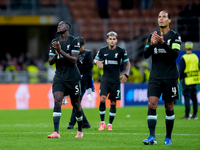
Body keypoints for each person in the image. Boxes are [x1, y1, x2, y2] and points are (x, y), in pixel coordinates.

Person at [143, 10, 181, 145]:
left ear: (169, 20)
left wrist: (163, 43)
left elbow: (174, 55)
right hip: (155, 76)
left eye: (164, 17)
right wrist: (152, 44)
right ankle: (151, 137)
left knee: (169, 107)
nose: (161, 19)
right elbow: (146, 55)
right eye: (159, 16)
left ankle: (168, 138)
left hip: (170, 77)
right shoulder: (152, 36)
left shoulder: (175, 36)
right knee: (151, 103)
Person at [47, 21, 83, 138]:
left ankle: (80, 131)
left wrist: (60, 50)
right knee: (57, 100)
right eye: (58, 25)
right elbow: (50, 62)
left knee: (76, 105)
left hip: (73, 78)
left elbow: (74, 60)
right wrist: (56, 53)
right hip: (59, 77)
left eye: (61, 25)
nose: (58, 26)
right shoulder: (54, 42)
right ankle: (56, 132)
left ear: (67, 27)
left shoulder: (74, 41)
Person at [93, 31, 130, 131]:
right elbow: (95, 60)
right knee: (102, 99)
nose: (112, 41)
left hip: (116, 81)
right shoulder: (102, 50)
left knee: (113, 102)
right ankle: (102, 123)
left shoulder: (121, 50)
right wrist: (98, 61)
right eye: (110, 39)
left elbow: (128, 63)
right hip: (105, 79)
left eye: (114, 39)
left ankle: (110, 124)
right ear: (107, 40)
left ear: (116, 40)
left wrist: (126, 74)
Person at [67, 37, 93, 129]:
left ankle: (71, 123)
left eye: (80, 47)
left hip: (85, 80)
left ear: (83, 46)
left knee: (77, 101)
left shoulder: (88, 53)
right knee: (74, 102)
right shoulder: (73, 54)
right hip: (75, 80)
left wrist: (78, 70)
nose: (78, 48)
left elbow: (90, 66)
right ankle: (85, 123)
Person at [179, 41, 200, 119]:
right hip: (194, 80)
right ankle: (195, 114)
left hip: (187, 80)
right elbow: (198, 67)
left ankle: (187, 115)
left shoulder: (184, 57)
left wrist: (179, 79)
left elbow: (181, 70)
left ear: (185, 48)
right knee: (194, 98)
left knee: (187, 98)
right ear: (191, 47)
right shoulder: (195, 56)